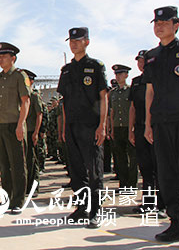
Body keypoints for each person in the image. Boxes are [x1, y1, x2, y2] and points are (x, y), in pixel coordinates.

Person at [57, 27, 108, 229]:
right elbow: (64, 102)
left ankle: (96, 210)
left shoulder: (95, 66)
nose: (74, 44)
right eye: (71, 40)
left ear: (87, 42)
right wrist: (63, 128)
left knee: (94, 169)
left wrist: (102, 125)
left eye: (78, 40)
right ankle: (82, 207)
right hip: (72, 127)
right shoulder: (66, 70)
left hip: (91, 125)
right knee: (76, 170)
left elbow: (104, 96)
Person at [143, 6, 179, 242]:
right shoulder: (151, 56)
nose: (159, 27)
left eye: (164, 22)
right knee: (167, 174)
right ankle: (176, 221)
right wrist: (148, 124)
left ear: (176, 25)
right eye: (156, 23)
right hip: (161, 122)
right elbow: (150, 92)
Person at [0, 43, 30, 214]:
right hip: (0, 126)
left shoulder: (20, 76)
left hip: (15, 125)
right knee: (4, 165)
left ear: (13, 58)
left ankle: (18, 200)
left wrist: (21, 125)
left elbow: (25, 101)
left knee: (18, 164)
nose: (0, 59)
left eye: (4, 56)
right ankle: (6, 198)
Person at [129, 50, 165, 216]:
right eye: (138, 61)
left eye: (143, 60)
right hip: (140, 128)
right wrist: (131, 129)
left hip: (156, 128)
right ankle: (148, 203)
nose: (140, 64)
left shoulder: (157, 79)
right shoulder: (136, 82)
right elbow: (132, 108)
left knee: (160, 167)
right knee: (145, 168)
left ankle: (163, 203)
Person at [109, 64, 137, 189]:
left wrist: (132, 128)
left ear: (126, 75)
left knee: (132, 158)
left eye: (120, 74)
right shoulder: (113, 93)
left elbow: (133, 109)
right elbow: (112, 112)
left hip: (128, 127)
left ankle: (131, 184)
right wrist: (111, 128)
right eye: (116, 74)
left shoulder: (131, 90)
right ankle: (123, 184)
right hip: (117, 127)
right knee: (120, 158)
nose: (118, 76)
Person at [23, 69, 44, 194]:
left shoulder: (34, 96)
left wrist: (36, 132)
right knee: (24, 160)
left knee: (32, 160)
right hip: (23, 132)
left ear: (31, 81)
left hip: (31, 131)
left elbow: (39, 114)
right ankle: (26, 186)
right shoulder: (21, 95)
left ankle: (34, 187)